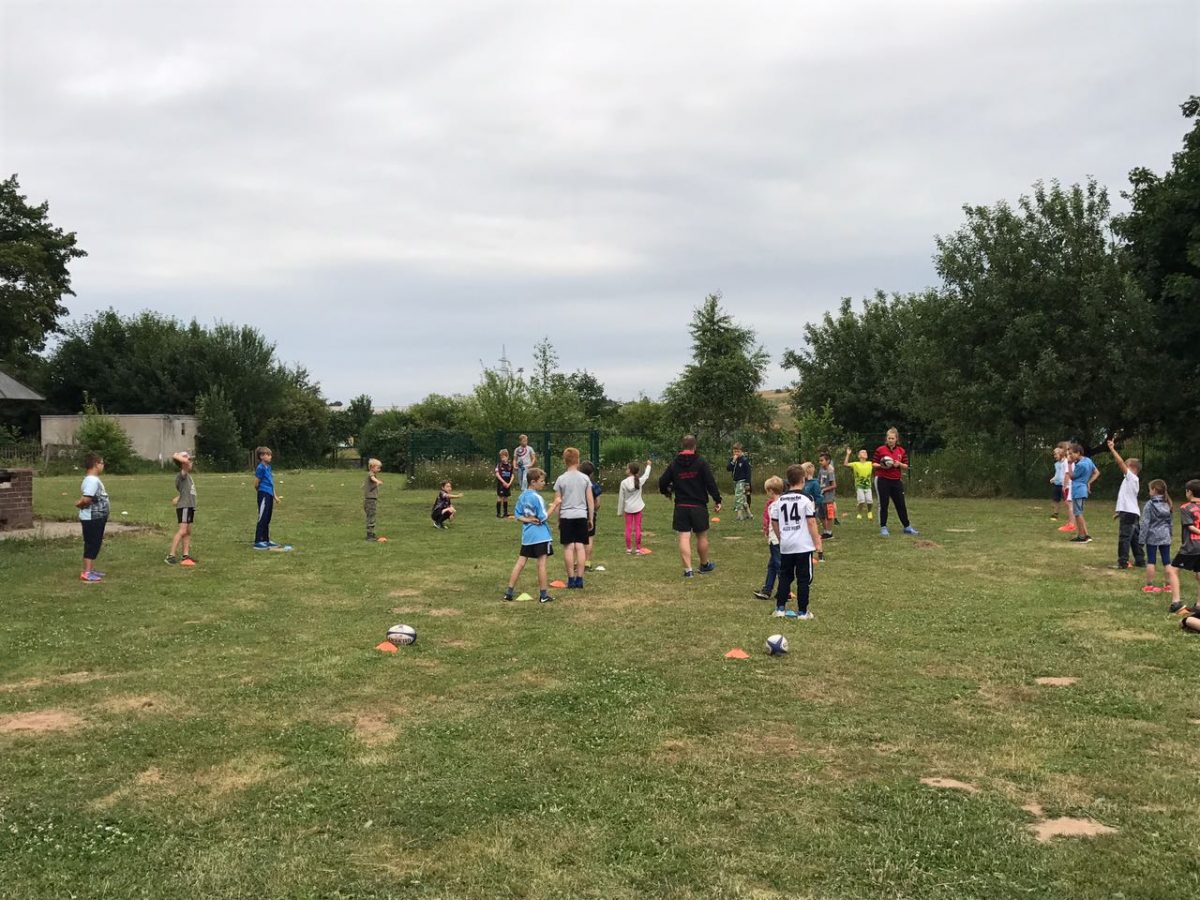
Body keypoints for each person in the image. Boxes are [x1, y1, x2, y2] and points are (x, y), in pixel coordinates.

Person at [658, 434, 722, 577]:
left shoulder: (675, 463)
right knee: (701, 536)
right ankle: (704, 565)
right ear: (695, 446)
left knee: (684, 537)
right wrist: (717, 500)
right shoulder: (701, 462)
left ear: (683, 446)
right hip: (698, 505)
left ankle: (688, 570)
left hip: (681, 506)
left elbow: (662, 481)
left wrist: (667, 490)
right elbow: (710, 482)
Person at [770, 464, 823, 619]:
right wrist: (817, 542)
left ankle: (780, 609)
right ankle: (802, 612)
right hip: (803, 545)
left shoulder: (780, 500)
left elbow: (774, 521)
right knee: (803, 579)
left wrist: (781, 538)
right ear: (803, 479)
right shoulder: (807, 498)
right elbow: (811, 522)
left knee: (785, 576)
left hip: (786, 544)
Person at [503, 467, 556, 604]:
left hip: (527, 536)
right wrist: (555, 505)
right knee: (541, 564)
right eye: (542, 481)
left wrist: (527, 520)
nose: (544, 483)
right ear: (533, 482)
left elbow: (517, 515)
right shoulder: (537, 498)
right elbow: (543, 518)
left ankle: (509, 592)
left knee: (520, 563)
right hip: (541, 536)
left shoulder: (522, 496)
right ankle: (544, 595)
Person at [553, 447, 594, 589]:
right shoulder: (585, 478)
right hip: (581, 515)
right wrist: (590, 518)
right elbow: (590, 501)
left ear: (565, 461)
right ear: (578, 460)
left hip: (566, 515)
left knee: (569, 548)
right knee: (580, 547)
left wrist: (558, 519)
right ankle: (580, 579)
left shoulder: (561, 479)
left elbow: (557, 502)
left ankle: (570, 579)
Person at [1106, 439, 1145, 569]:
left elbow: (1120, 462)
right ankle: (1140, 560)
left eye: (1126, 466)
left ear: (1132, 468)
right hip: (1131, 512)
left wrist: (1112, 449)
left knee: (1124, 537)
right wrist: (1119, 512)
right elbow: (1127, 497)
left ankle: (1122, 562)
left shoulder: (1132, 477)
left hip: (1129, 513)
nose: (1124, 468)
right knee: (1134, 538)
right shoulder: (1130, 480)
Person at [872, 428, 917, 536]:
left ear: (896, 439)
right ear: (886, 439)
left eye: (893, 438)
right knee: (883, 504)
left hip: (896, 480)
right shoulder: (880, 450)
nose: (890, 440)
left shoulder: (901, 451)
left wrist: (899, 464)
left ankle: (907, 527)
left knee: (901, 504)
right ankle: (883, 527)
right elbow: (873, 464)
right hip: (882, 479)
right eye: (889, 438)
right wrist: (883, 465)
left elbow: (906, 466)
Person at [1167, 479, 1200, 616]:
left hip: (1190, 547)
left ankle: (1176, 602)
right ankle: (1199, 605)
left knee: (1173, 570)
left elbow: (1190, 526)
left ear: (1189, 492)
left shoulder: (1185, 508)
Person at [76, 453, 109, 582]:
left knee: (95, 543)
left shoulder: (92, 480)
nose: (103, 466)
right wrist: (79, 504)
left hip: (96, 517)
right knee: (92, 544)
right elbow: (87, 498)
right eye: (102, 463)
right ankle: (87, 572)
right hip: (92, 518)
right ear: (96, 464)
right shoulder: (92, 480)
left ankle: (90, 569)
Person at [1139, 479, 1173, 594]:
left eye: (1149, 489)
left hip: (1152, 536)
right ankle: (1169, 585)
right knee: (1167, 561)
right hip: (1165, 535)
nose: (1149, 492)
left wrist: (1141, 539)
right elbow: (1170, 522)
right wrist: (1170, 534)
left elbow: (1145, 523)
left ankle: (1149, 585)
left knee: (1151, 561)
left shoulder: (1150, 504)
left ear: (1154, 490)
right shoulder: (1167, 503)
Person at [753, 475, 784, 600]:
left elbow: (770, 522)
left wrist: (766, 531)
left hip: (775, 540)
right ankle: (767, 589)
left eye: (767, 491)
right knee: (772, 565)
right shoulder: (783, 503)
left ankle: (784, 590)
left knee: (778, 565)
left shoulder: (773, 506)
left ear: (771, 491)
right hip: (780, 539)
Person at [166, 451, 198, 565]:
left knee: (188, 531)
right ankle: (171, 555)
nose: (190, 462)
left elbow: (185, 492)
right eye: (188, 460)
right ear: (183, 463)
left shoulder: (188, 476)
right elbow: (181, 460)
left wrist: (178, 497)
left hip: (189, 506)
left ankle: (185, 555)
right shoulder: (182, 474)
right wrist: (179, 456)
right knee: (182, 530)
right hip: (184, 507)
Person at [617, 459, 652, 555]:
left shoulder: (623, 483)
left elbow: (621, 498)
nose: (626, 469)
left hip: (628, 508)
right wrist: (648, 465)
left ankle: (628, 549)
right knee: (638, 528)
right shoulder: (639, 481)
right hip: (638, 507)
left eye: (627, 468)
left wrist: (620, 511)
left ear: (630, 470)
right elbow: (646, 475)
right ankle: (638, 549)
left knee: (628, 528)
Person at [1066, 443, 1099, 544]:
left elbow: (1071, 476)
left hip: (1078, 490)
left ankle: (1082, 536)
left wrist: (1069, 464)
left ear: (1078, 453)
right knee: (1079, 513)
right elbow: (1097, 472)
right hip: (1083, 489)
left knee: (1078, 513)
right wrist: (1089, 482)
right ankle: (1085, 534)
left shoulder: (1080, 465)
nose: (1070, 456)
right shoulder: (1088, 460)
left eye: (1072, 454)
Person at [253, 446, 282, 549]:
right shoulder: (260, 468)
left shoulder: (268, 468)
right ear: (261, 456)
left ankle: (266, 539)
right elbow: (256, 483)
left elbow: (271, 483)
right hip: (263, 494)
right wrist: (262, 492)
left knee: (267, 517)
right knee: (262, 517)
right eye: (268, 455)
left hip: (269, 494)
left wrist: (275, 496)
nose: (270, 457)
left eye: (270, 455)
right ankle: (258, 541)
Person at [580, 460, 602, 570]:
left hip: (578, 513)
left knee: (578, 539)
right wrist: (593, 510)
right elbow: (598, 502)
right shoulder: (594, 485)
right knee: (589, 538)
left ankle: (577, 561)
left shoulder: (577, 484)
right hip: (590, 514)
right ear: (592, 473)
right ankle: (587, 562)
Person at [843, 448, 874, 520]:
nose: (865, 453)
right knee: (861, 501)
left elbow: (879, 465)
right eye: (862, 452)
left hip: (868, 486)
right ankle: (859, 513)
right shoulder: (855, 464)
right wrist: (848, 454)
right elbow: (845, 464)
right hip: (859, 486)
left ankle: (869, 512)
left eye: (865, 452)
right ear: (859, 456)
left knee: (870, 501)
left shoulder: (870, 463)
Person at [1057, 442, 1079, 533]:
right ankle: (1070, 522)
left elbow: (1067, 474)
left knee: (1070, 505)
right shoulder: (1068, 460)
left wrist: (1064, 486)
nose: (1058, 450)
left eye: (1060, 448)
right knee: (1069, 505)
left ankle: (1071, 525)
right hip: (1069, 485)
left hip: (1069, 485)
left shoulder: (1068, 461)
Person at [727, 444, 752, 522]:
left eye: (738, 451)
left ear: (742, 451)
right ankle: (749, 514)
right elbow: (728, 468)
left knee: (738, 498)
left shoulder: (744, 460)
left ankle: (739, 516)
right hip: (735, 481)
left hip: (742, 481)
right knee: (743, 499)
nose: (736, 453)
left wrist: (747, 483)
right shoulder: (732, 459)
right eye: (735, 451)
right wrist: (733, 461)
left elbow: (748, 472)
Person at [817, 451, 837, 539]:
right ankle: (825, 531)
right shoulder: (821, 470)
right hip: (821, 497)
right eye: (819, 461)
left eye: (822, 460)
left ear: (828, 461)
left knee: (829, 515)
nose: (820, 462)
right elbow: (818, 481)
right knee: (820, 514)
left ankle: (829, 532)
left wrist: (825, 489)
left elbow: (834, 485)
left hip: (828, 498)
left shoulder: (830, 471)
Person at [363, 458, 384, 541]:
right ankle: (370, 535)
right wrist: (377, 481)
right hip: (370, 500)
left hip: (371, 500)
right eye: (378, 468)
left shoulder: (371, 475)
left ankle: (371, 533)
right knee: (371, 517)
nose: (379, 469)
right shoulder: (371, 474)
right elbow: (372, 477)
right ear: (372, 467)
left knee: (371, 516)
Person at [495, 449, 515, 519]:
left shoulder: (510, 466)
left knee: (506, 498)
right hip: (501, 484)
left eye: (504, 457)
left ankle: (505, 513)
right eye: (501, 457)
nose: (503, 459)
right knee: (500, 497)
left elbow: (512, 475)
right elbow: (497, 474)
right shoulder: (499, 465)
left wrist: (509, 483)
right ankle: (498, 513)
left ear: (507, 456)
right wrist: (503, 482)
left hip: (507, 484)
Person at [1049, 445, 1067, 522]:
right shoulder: (1056, 464)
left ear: (1061, 454)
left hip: (1064, 485)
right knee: (1056, 499)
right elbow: (1057, 474)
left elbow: (1066, 474)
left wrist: (1065, 483)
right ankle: (1055, 513)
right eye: (1054, 454)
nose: (1054, 456)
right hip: (1057, 484)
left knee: (1067, 500)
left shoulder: (1066, 462)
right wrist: (1053, 479)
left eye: (1056, 454)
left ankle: (1071, 514)